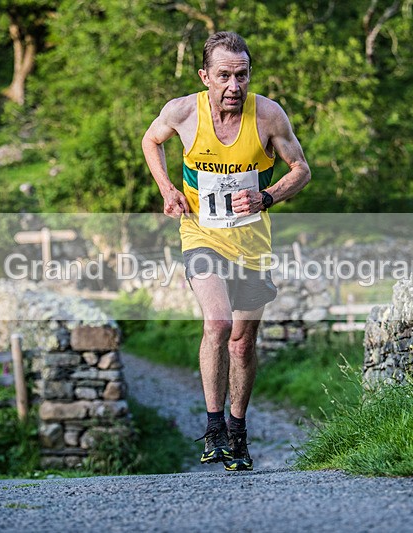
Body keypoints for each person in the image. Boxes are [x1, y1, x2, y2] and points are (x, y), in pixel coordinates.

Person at [142, 31, 310, 471]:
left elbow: (301, 169)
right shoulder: (183, 112)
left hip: (252, 246)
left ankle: (238, 432)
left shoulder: (268, 115)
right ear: (205, 76)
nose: (234, 86)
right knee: (218, 322)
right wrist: (167, 189)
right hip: (201, 235)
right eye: (224, 76)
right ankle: (213, 428)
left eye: (242, 75)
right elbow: (150, 140)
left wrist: (266, 196)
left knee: (242, 342)